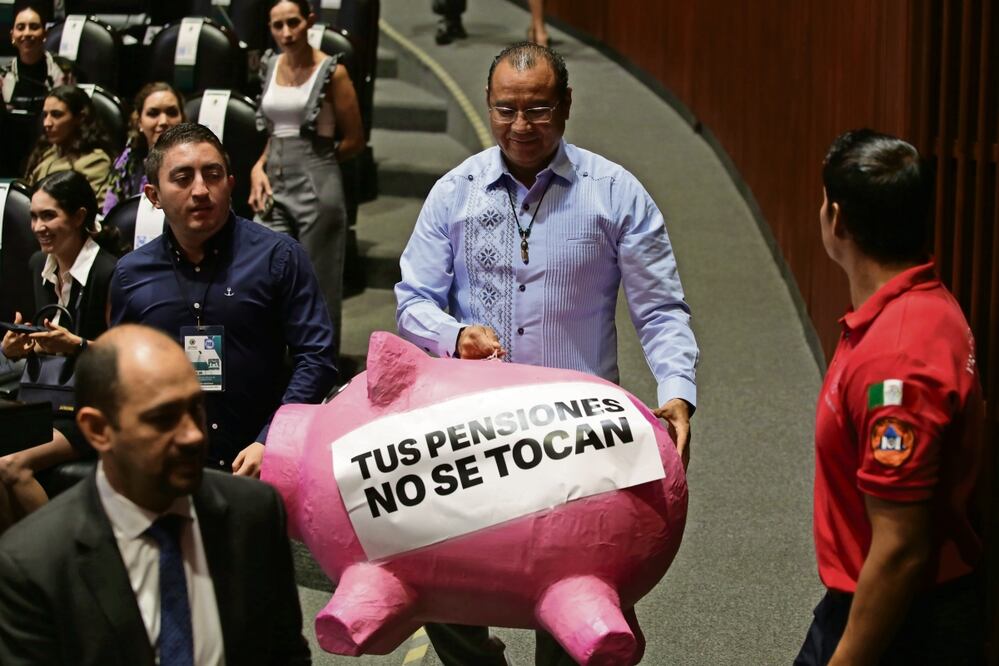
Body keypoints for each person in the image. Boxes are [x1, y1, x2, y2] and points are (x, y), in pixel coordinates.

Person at [395, 42, 698, 665]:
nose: (521, 126)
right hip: (474, 433)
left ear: (565, 106)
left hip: (580, 440)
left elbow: (661, 309)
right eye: (506, 110)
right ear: (488, 106)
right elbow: (412, 300)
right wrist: (454, 336)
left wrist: (676, 393)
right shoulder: (455, 193)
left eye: (538, 110)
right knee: (449, 588)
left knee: (579, 609)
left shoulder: (615, 194)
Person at [0, 324, 312, 665]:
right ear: (98, 429)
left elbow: (286, 654)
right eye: (163, 418)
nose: (193, 435)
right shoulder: (32, 564)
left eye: (195, 408)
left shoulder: (255, 511)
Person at [795, 130, 985, 664]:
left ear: (839, 219)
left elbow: (900, 547)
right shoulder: (917, 305)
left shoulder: (896, 361)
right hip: (883, 600)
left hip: (900, 621)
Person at [111, 122, 337, 477]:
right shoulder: (130, 274)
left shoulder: (278, 257)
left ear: (230, 184)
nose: (201, 190)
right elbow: (122, 373)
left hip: (259, 462)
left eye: (212, 174)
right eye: (183, 178)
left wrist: (274, 439)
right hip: (166, 466)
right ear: (153, 196)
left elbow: (317, 358)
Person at [0, 170, 119, 533]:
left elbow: (124, 358)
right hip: (46, 398)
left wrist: (77, 345)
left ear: (80, 216)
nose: (38, 226)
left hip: (94, 406)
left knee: (10, 465)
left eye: (49, 215)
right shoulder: (40, 265)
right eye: (34, 216)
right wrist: (18, 348)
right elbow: (43, 340)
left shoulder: (110, 272)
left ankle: (55, 564)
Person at [250, 0, 364, 362]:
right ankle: (272, 365)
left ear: (309, 22)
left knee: (319, 284)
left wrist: (319, 164)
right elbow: (274, 131)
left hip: (317, 182)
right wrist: (258, 167)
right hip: (273, 179)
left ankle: (319, 371)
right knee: (262, 271)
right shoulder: (271, 64)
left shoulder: (332, 71)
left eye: (293, 23)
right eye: (278, 25)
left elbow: (354, 139)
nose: (286, 33)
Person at [103, 81, 186, 215]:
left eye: (172, 112)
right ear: (139, 121)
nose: (164, 121)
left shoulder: (196, 160)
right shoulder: (127, 161)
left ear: (182, 118)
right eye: (153, 113)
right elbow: (112, 215)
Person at [23, 85, 113, 207]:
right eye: (45, 115)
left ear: (80, 118)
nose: (47, 123)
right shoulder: (46, 153)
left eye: (56, 114)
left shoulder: (95, 160)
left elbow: (94, 212)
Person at [1, 1, 74, 111]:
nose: (27, 33)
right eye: (20, 27)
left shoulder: (65, 71)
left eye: (34, 27)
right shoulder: (3, 75)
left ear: (45, 34)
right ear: (12, 36)